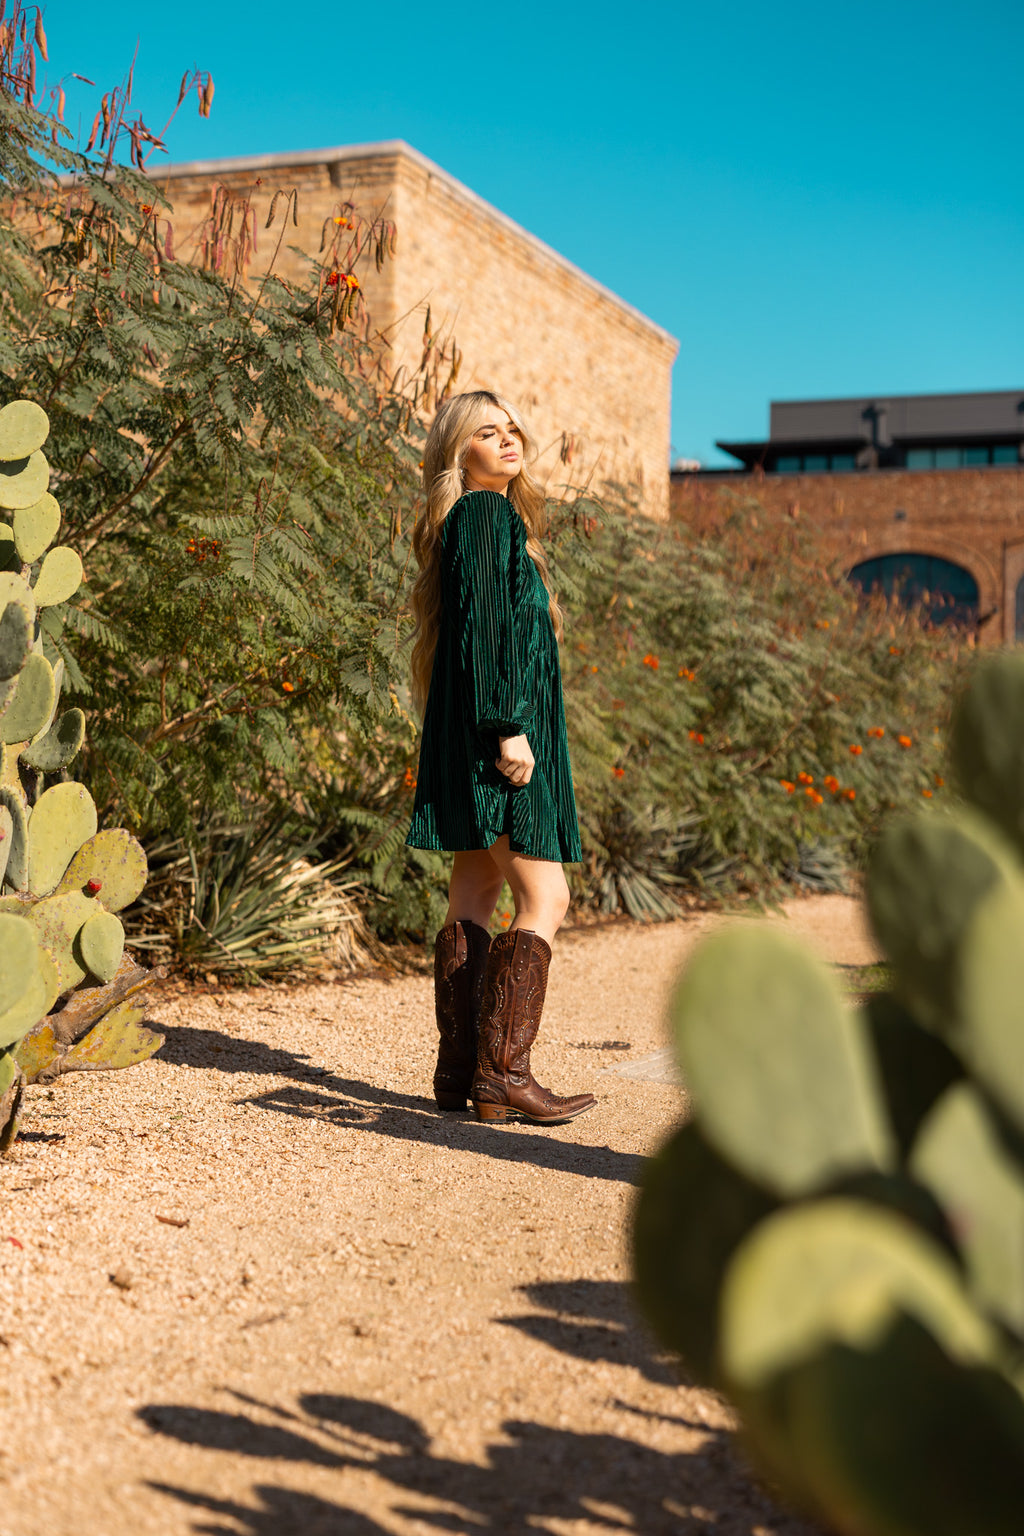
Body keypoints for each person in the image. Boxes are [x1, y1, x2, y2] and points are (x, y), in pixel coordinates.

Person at [404, 390, 596, 1126]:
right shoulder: (485, 516)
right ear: (462, 455)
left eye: (512, 428)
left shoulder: (466, 523)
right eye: (488, 432)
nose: (509, 440)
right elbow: (487, 635)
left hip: (473, 736)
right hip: (498, 738)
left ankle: (459, 1074)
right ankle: (503, 1075)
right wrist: (508, 728)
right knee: (547, 899)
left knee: (474, 896)